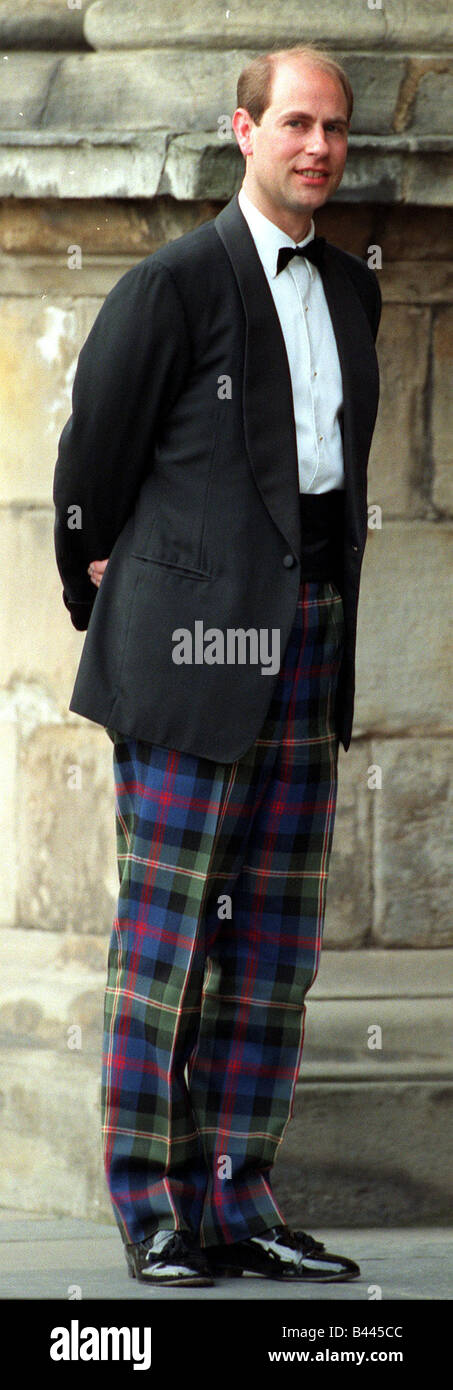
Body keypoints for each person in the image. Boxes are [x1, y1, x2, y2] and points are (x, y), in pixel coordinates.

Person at [53, 43, 381, 1287]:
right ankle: (152, 1210)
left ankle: (240, 1200)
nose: (316, 146)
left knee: (275, 944)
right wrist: (101, 586)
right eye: (294, 122)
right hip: (193, 652)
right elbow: (95, 460)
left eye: (334, 129)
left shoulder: (355, 290)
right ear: (240, 131)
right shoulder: (174, 282)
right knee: (168, 941)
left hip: (308, 652)